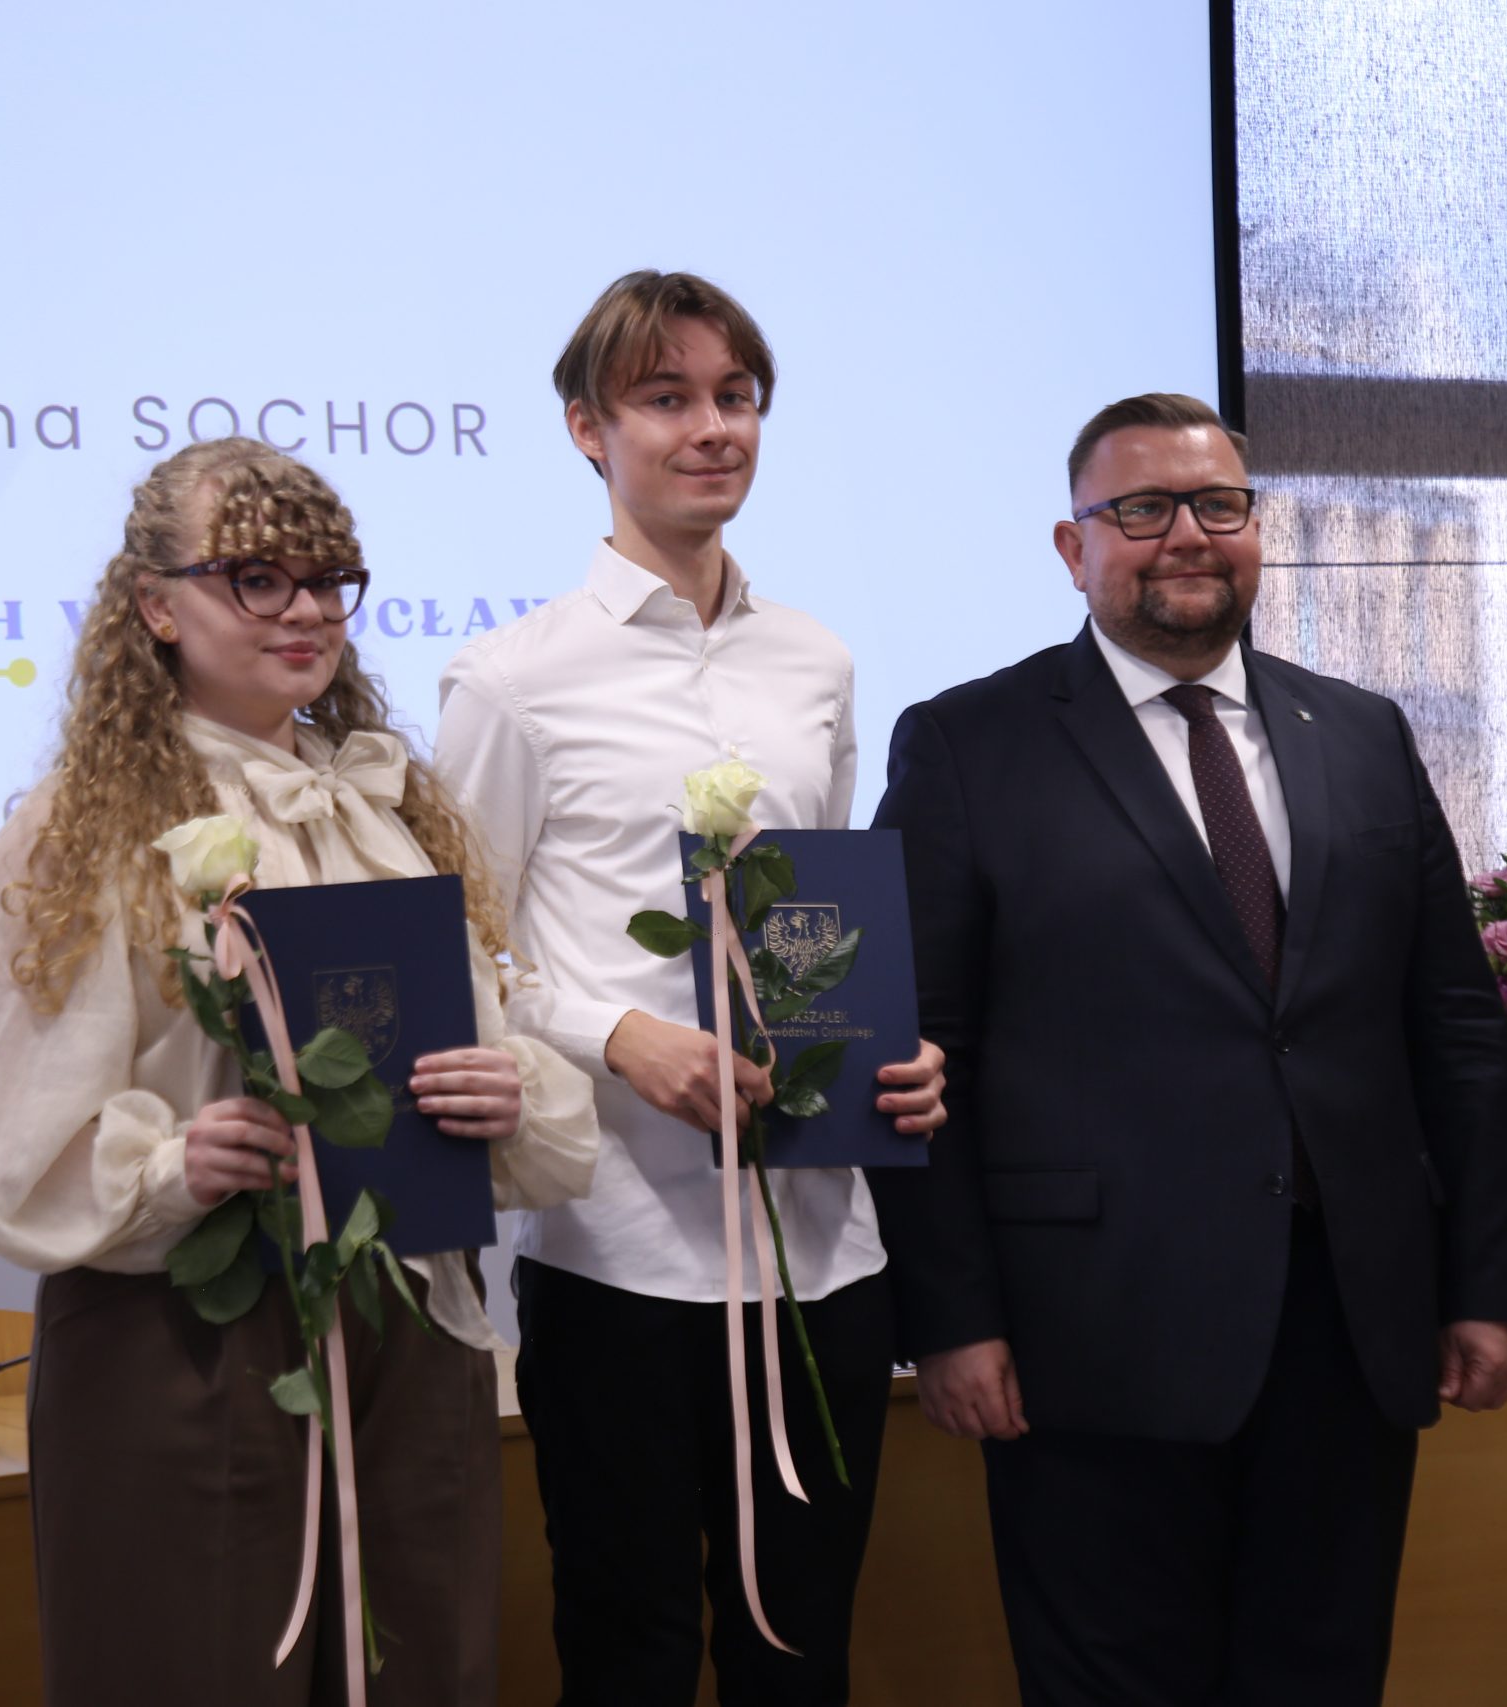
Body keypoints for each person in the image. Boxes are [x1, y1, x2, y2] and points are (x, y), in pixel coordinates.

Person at [869, 392, 1507, 1705]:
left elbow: (1455, 1026)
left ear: (1255, 529)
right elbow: (918, 1050)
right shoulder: (965, 743)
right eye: (1141, 509)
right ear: (1072, 547)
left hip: (1347, 1327)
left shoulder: (1362, 732)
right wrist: (949, 1317)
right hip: (1086, 1338)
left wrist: (1485, 1281)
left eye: (1218, 504)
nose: (1186, 534)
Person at [0, 437, 597, 1707]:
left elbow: (480, 1031)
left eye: (327, 578)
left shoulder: (387, 813)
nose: (305, 611)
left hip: (413, 1325)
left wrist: (507, 1093)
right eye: (256, 578)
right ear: (155, 605)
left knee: (424, 1669)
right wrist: (176, 1163)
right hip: (187, 1341)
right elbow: (12, 1145)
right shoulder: (77, 835)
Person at [431, 270, 946, 1707]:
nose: (712, 427)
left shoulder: (815, 658)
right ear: (587, 429)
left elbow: (821, 926)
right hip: (620, 1251)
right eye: (666, 398)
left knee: (803, 1652)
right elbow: (462, 951)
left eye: (736, 396)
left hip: (821, 1248)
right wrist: (615, 1033)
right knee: (630, 1650)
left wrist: (892, 1054)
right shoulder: (511, 679)